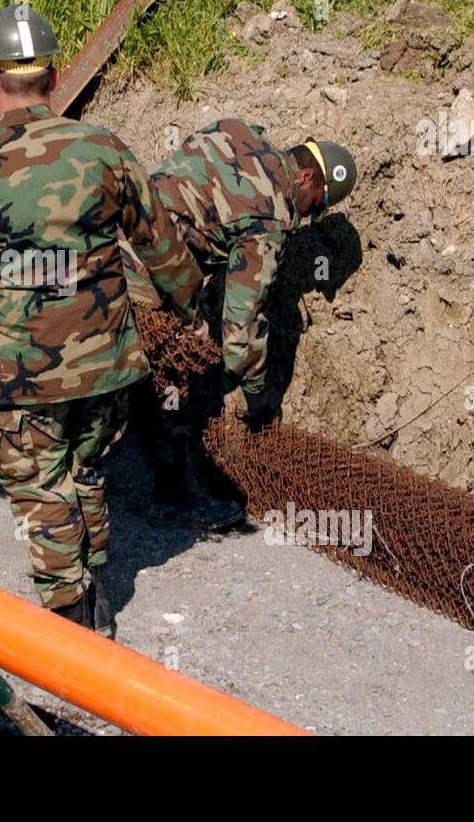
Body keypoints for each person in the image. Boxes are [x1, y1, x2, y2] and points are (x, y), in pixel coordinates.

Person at [0, 4, 203, 637]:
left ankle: (74, 626)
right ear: (51, 76)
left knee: (39, 489)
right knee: (85, 469)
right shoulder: (102, 149)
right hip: (107, 366)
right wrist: (192, 314)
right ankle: (93, 580)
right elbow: (163, 250)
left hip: (22, 373)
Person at [124, 117, 358, 520]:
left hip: (112, 220)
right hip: (143, 263)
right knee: (175, 369)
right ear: (304, 178)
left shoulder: (243, 131)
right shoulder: (272, 218)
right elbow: (239, 334)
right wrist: (260, 401)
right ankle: (171, 497)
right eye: (316, 204)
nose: (308, 216)